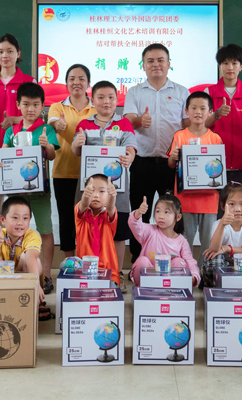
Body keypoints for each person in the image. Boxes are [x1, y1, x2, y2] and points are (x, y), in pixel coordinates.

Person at [0, 82, 59, 295]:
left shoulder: (46, 129)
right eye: (26, 104)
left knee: (45, 230)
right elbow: (3, 155)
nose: (30, 109)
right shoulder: (11, 131)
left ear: (42, 107)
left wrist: (46, 145)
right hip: (16, 194)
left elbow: (53, 154)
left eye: (35, 105)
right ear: (18, 105)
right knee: (13, 232)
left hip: (39, 192)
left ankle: (45, 274)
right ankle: (14, 270)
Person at [124, 43, 190, 262]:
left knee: (170, 215)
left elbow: (188, 125)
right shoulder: (134, 92)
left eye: (161, 60)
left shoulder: (182, 92)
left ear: (169, 64)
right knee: (139, 213)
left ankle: (171, 260)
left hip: (171, 165)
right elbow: (127, 122)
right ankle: (137, 261)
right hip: (141, 162)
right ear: (143, 65)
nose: (156, 64)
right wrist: (138, 121)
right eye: (150, 61)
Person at [72, 81, 137, 291]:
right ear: (93, 101)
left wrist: (129, 158)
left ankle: (116, 274)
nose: (106, 101)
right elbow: (76, 151)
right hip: (89, 190)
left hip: (116, 189)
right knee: (85, 229)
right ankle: (86, 275)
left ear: (117, 101)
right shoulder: (84, 124)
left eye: (110, 97)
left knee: (117, 232)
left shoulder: (125, 124)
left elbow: (131, 150)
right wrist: (77, 143)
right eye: (100, 97)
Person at [0, 33, 36, 237]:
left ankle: (19, 251)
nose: (5, 55)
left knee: (19, 208)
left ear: (18, 53)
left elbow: (37, 116)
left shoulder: (29, 81)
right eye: (1, 51)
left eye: (10, 51)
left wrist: (14, 120)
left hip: (20, 154)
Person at [167, 91, 222, 266]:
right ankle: (185, 272)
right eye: (194, 108)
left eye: (203, 108)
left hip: (209, 198)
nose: (198, 112)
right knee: (185, 239)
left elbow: (219, 169)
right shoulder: (180, 136)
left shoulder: (215, 138)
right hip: (186, 199)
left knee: (208, 241)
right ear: (187, 111)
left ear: (210, 112)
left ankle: (205, 273)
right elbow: (170, 164)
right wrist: (173, 156)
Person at [48, 64, 97, 258]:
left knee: (90, 218)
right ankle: (69, 261)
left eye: (81, 78)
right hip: (63, 171)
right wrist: (57, 123)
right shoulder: (58, 106)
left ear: (88, 83)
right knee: (66, 219)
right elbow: (52, 121)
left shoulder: (95, 108)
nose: (76, 82)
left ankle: (90, 260)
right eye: (72, 78)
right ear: (66, 82)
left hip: (92, 175)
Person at [204, 44, 242, 194]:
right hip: (214, 165)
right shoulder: (209, 92)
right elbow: (201, 126)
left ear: (241, 67)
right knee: (218, 214)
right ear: (219, 66)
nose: (230, 67)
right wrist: (216, 115)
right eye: (225, 63)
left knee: (241, 213)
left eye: (234, 63)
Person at [0, 197, 50, 318]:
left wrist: (35, 284)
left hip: (25, 279)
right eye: (15, 218)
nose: (20, 223)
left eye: (25, 218)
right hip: (2, 280)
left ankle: (34, 300)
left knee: (31, 259)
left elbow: (31, 258)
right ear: (3, 219)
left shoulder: (32, 235)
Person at [129, 193, 200, 287]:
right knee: (142, 261)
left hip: (170, 285)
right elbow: (135, 225)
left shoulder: (182, 242)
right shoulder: (149, 231)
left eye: (166, 212)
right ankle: (141, 291)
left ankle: (174, 292)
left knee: (179, 262)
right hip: (148, 282)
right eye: (158, 211)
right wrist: (138, 213)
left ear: (178, 217)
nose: (161, 216)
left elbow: (190, 262)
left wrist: (194, 276)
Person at [201, 183, 242, 288]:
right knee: (215, 259)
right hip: (223, 261)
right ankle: (214, 284)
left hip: (241, 260)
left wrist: (227, 248)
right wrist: (222, 225)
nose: (237, 209)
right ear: (222, 206)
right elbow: (214, 249)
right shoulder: (218, 223)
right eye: (232, 204)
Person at [75, 174, 120, 287]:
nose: (95, 195)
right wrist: (86, 196)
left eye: (101, 191)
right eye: (91, 191)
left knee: (109, 298)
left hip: (109, 272)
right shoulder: (80, 212)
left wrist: (112, 196)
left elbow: (110, 207)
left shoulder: (110, 213)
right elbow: (84, 204)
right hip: (85, 272)